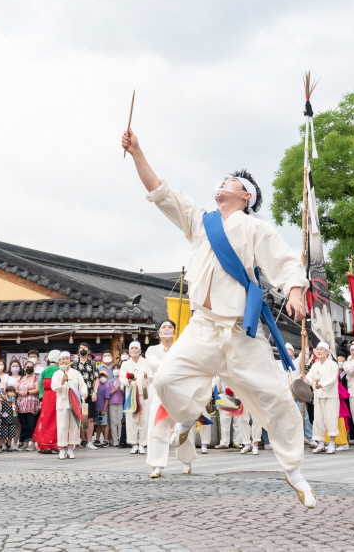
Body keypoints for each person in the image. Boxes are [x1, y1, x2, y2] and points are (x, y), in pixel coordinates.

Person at [124, 129, 316, 507]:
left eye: (232, 181)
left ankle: (294, 472)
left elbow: (286, 261)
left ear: (246, 195)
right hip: (202, 326)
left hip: (240, 332)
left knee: (277, 398)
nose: (222, 183)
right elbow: (161, 192)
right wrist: (136, 151)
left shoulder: (255, 227)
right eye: (222, 179)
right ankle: (191, 413)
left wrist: (295, 291)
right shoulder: (200, 221)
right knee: (164, 379)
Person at [143, 320, 197, 476]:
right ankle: (157, 464)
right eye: (164, 327)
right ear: (159, 333)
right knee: (157, 429)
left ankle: (186, 461)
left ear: (174, 332)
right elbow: (156, 366)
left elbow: (186, 367)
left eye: (170, 327)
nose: (167, 329)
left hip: (179, 393)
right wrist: (173, 360)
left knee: (183, 427)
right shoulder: (152, 350)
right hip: (160, 393)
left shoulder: (182, 348)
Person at [51, 350, 87, 459]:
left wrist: (84, 393)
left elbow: (82, 385)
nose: (65, 360)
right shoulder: (57, 373)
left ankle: (71, 449)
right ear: (59, 361)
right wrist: (62, 381)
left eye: (67, 358)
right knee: (62, 426)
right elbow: (53, 387)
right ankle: (61, 449)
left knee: (74, 426)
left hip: (75, 402)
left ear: (70, 360)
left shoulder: (76, 373)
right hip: (62, 402)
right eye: (63, 359)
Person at [119, 341, 151, 454]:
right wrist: (128, 380)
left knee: (144, 419)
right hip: (131, 393)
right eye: (131, 348)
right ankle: (134, 444)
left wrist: (147, 376)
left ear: (140, 351)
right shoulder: (125, 364)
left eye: (136, 348)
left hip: (145, 393)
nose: (134, 350)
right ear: (129, 351)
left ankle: (142, 444)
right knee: (131, 420)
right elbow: (122, 378)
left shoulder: (146, 362)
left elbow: (152, 376)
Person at [307, 342, 339, 454]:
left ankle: (331, 444)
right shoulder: (315, 365)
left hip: (330, 395)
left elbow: (333, 379)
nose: (319, 351)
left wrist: (322, 385)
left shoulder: (333, 364)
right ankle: (320, 443)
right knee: (318, 420)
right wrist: (311, 383)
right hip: (318, 395)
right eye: (318, 349)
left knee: (330, 418)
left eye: (321, 349)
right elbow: (309, 377)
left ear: (327, 352)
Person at [31, 350, 61, 452]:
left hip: (46, 397)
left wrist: (41, 398)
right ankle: (55, 444)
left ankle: (42, 445)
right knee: (56, 420)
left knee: (45, 419)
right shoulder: (60, 370)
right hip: (57, 396)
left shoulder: (44, 371)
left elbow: (41, 386)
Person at [72, 344, 99, 450]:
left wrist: (95, 392)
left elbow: (96, 378)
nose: (83, 350)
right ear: (78, 351)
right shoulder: (74, 364)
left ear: (88, 351)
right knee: (78, 418)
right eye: (81, 348)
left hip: (89, 394)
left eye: (85, 348)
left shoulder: (92, 364)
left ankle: (89, 441)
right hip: (78, 395)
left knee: (90, 419)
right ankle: (78, 441)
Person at [16, 360, 40, 450]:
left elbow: (37, 389)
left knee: (31, 424)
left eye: (31, 366)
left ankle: (33, 443)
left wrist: (27, 392)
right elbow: (15, 389)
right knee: (24, 425)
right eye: (27, 367)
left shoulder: (36, 378)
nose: (29, 368)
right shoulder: (20, 379)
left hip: (32, 405)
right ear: (24, 368)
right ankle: (25, 443)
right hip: (21, 406)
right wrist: (19, 392)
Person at [107, 364, 125, 448]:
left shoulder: (123, 380)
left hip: (121, 403)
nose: (116, 370)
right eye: (114, 369)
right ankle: (115, 440)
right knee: (113, 422)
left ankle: (121, 439)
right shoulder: (110, 381)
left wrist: (121, 389)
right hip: (112, 403)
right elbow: (108, 394)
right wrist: (114, 389)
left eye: (118, 368)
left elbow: (125, 393)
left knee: (120, 422)